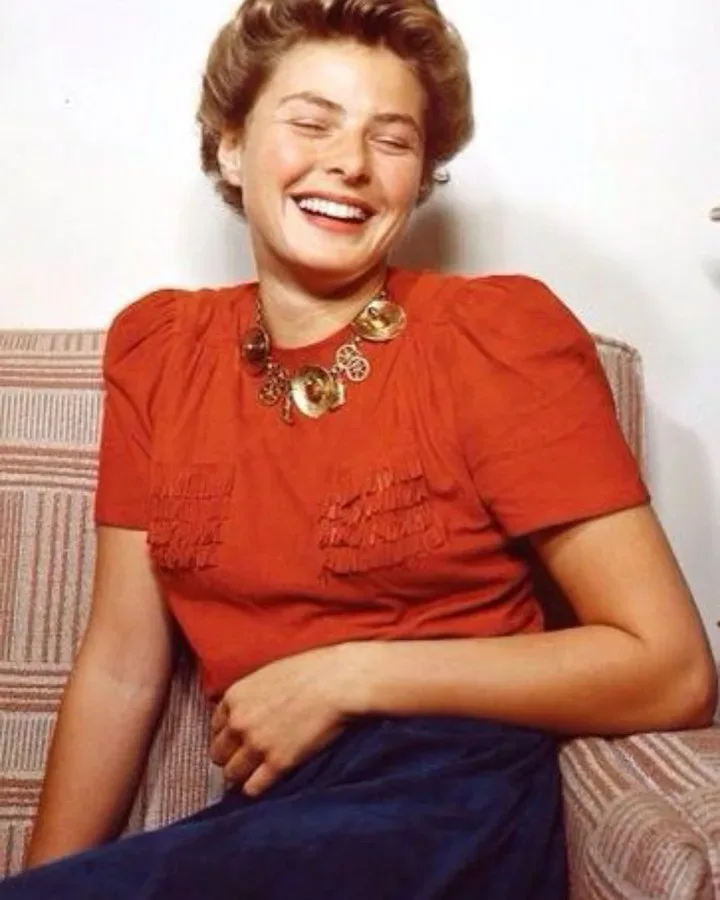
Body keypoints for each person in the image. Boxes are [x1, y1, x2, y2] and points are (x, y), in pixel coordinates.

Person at [2, 0, 716, 897]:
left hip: (447, 796)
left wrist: (345, 676)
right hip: (282, 817)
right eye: (311, 121)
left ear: (420, 178)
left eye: (393, 139)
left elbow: (670, 669)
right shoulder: (158, 352)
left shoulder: (495, 339)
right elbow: (118, 668)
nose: (349, 163)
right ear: (229, 146)